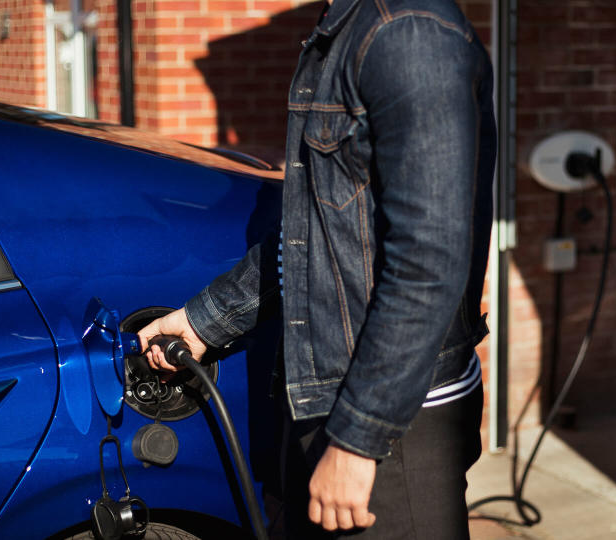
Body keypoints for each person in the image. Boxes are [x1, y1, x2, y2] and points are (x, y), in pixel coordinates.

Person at [140, 0, 496, 537]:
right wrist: (203, 322)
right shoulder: (347, 29)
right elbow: (315, 235)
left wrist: (358, 439)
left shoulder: (407, 33)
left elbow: (430, 262)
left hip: (396, 420)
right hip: (338, 397)